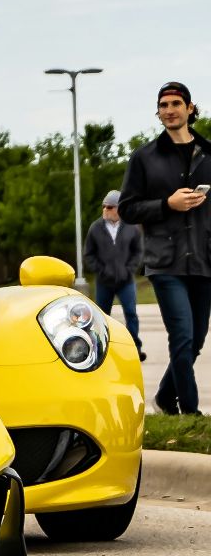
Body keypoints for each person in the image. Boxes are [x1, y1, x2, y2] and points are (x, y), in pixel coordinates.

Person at [117, 81, 211, 413]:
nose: (169, 110)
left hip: (204, 260)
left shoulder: (208, 154)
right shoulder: (144, 157)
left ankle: (165, 397)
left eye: (175, 104)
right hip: (165, 262)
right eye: (163, 105)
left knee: (195, 340)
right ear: (158, 113)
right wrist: (167, 204)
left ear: (190, 109)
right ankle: (189, 411)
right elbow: (127, 209)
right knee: (182, 336)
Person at [84, 189, 144, 361]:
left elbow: (138, 252)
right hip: (104, 282)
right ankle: (102, 351)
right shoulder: (95, 228)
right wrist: (101, 270)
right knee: (102, 317)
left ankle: (135, 349)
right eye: (103, 206)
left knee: (131, 314)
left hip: (126, 281)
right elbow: (89, 255)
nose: (105, 210)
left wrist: (128, 269)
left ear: (119, 209)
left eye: (109, 207)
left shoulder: (132, 228)